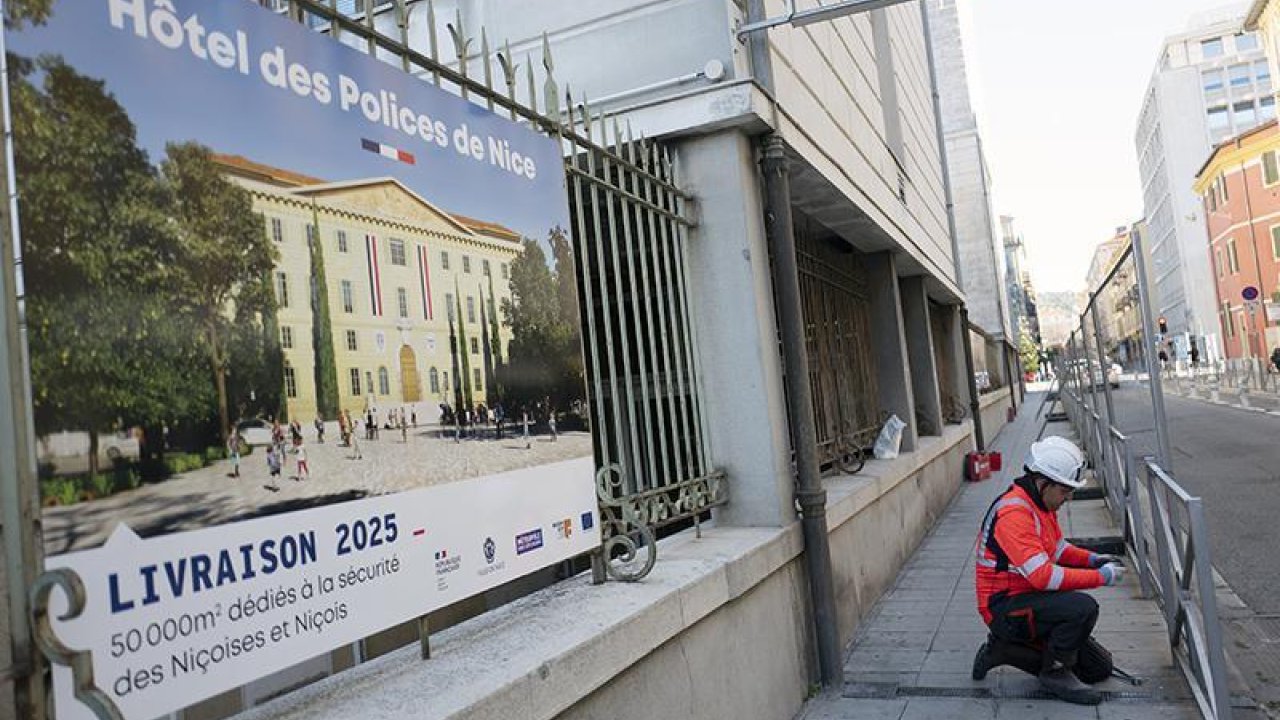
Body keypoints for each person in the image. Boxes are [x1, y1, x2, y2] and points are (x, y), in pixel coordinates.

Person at [971, 436, 1124, 706]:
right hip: (1003, 608)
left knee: (1098, 669)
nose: (1068, 498)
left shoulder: (1040, 504)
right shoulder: (1014, 515)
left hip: (1024, 599)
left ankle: (1002, 651)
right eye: (1064, 491)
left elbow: (1059, 549)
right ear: (1043, 483)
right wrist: (1101, 577)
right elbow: (1044, 577)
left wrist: (1093, 560)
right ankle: (1054, 672)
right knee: (1082, 608)